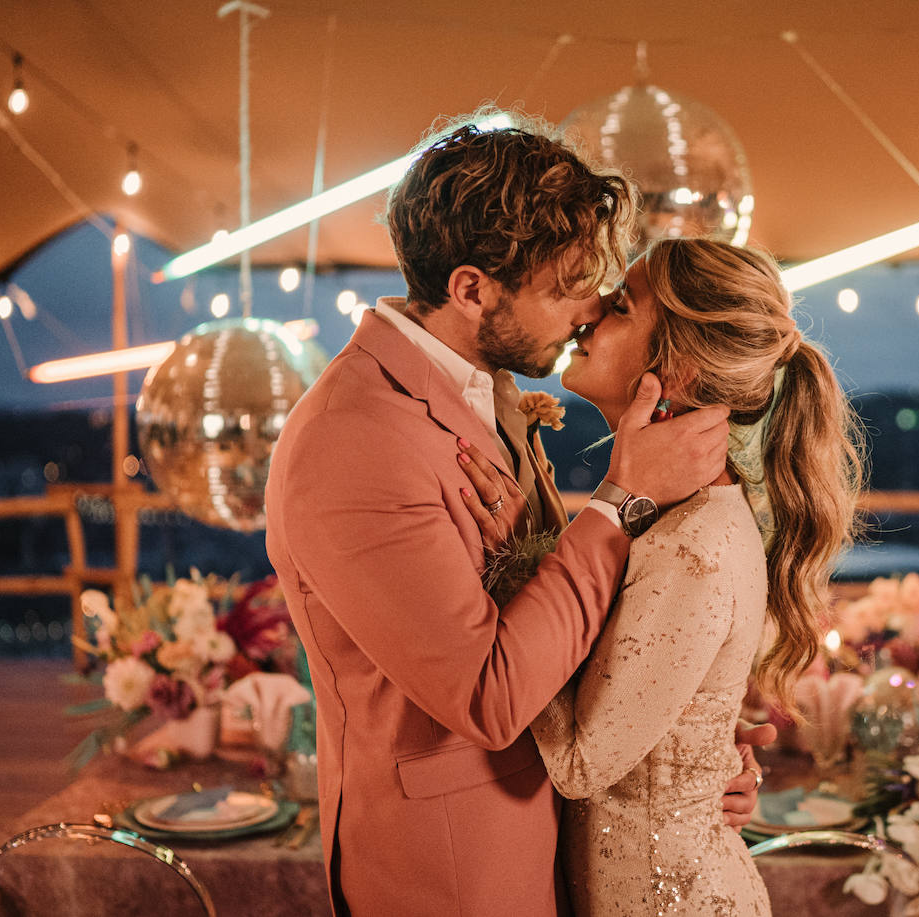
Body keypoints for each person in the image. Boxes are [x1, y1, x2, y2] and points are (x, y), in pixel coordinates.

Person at [263, 112, 765, 917]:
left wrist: (689, 758)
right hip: (454, 874)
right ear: (471, 290)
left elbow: (555, 621)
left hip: (558, 845)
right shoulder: (350, 443)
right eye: (566, 286)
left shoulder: (483, 386)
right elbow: (494, 694)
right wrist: (618, 499)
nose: (590, 306)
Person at [461, 238, 864, 915]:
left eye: (620, 306)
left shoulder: (693, 545)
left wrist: (511, 568)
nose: (588, 316)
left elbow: (580, 763)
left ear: (672, 366)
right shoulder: (659, 516)